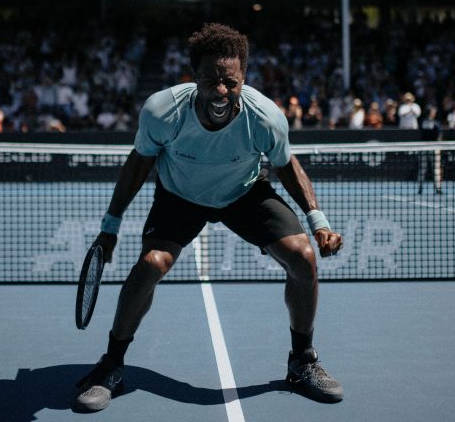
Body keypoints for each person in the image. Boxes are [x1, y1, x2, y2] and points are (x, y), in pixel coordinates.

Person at [74, 23, 344, 412]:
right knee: (150, 265)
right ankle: (111, 365)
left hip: (243, 194)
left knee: (302, 257)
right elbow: (138, 165)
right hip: (180, 196)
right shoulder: (163, 111)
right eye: (210, 80)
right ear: (194, 77)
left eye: (230, 82)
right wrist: (109, 228)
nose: (220, 90)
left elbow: (287, 166)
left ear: (244, 78)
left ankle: (302, 361)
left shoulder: (265, 117)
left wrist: (318, 222)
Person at [418, 106, 443, 195]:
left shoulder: (434, 123)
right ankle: (421, 188)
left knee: (435, 169)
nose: (434, 113)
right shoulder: (424, 122)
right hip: (425, 148)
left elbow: (439, 135)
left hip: (433, 148)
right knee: (423, 169)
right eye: (433, 111)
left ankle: (437, 188)